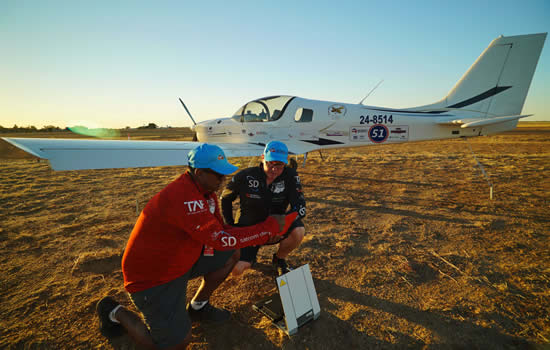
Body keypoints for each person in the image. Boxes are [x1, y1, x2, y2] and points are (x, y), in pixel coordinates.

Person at [96, 143, 297, 350]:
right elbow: (220, 238)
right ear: (199, 172)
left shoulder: (205, 192)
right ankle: (114, 311)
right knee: (176, 343)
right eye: (218, 175)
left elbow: (220, 232)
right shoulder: (184, 198)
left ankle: (198, 306)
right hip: (153, 277)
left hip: (178, 259)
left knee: (230, 254)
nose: (223, 180)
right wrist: (265, 229)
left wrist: (264, 233)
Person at [221, 141, 306, 276]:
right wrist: (231, 227)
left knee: (299, 231)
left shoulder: (290, 175)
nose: (274, 169)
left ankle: (279, 259)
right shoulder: (246, 175)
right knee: (236, 270)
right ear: (262, 158)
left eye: (279, 165)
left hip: (275, 228)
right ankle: (250, 258)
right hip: (249, 229)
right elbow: (225, 199)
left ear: (285, 162)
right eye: (270, 163)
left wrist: (282, 224)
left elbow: (300, 207)